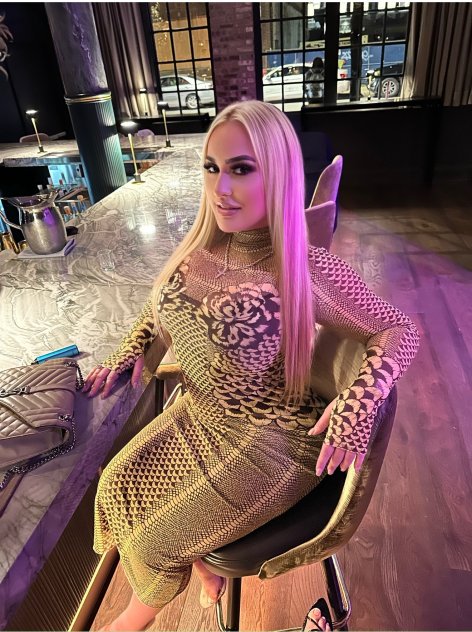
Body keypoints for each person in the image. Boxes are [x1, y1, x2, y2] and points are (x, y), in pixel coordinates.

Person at [83, 100, 419, 632]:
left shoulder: (303, 266)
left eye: (241, 169)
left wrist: (360, 401)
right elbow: (161, 304)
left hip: (271, 438)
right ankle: (201, 564)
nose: (220, 188)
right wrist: (130, 347)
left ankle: (128, 620)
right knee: (115, 489)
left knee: (152, 542)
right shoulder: (202, 245)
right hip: (202, 412)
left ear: (278, 173)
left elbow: (401, 328)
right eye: (212, 167)